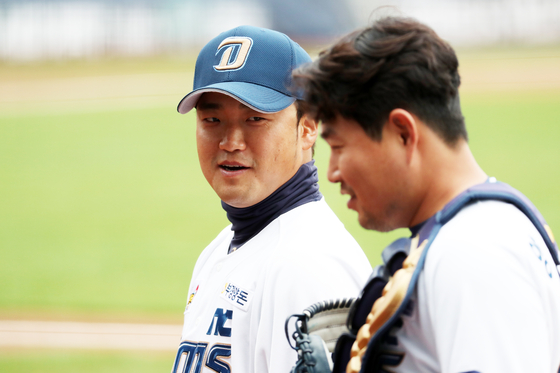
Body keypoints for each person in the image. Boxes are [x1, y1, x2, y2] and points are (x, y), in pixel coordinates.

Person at [292, 16, 560, 373]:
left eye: (338, 146)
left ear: (403, 132)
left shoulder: (473, 251)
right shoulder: (489, 225)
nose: (332, 172)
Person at [170, 25, 372, 373]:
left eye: (255, 119)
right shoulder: (220, 250)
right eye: (212, 119)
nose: (230, 141)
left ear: (307, 127)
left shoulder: (308, 266)